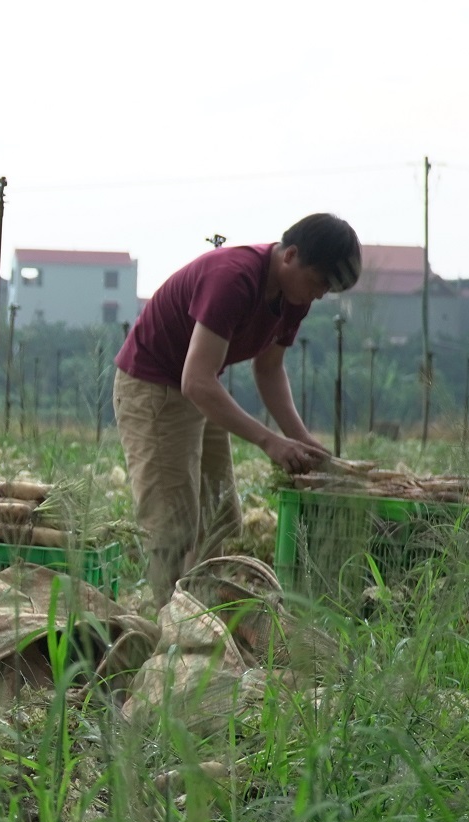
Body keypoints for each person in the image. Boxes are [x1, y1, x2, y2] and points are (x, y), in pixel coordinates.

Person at [112, 214, 363, 603]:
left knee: (219, 513)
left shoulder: (292, 298)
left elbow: (269, 368)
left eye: (327, 289)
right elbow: (195, 381)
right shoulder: (233, 279)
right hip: (154, 388)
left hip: (199, 387)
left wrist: (300, 439)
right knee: (173, 525)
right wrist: (269, 441)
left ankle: (196, 610)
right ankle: (161, 626)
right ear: (290, 256)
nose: (318, 295)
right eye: (318, 282)